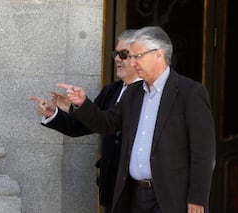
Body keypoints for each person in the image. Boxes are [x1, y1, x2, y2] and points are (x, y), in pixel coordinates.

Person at [56, 26, 216, 213]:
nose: (132, 63)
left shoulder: (190, 93)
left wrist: (197, 198)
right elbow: (106, 123)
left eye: (137, 56)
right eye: (130, 57)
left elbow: (203, 153)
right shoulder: (133, 93)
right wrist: (82, 103)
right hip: (134, 195)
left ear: (158, 55)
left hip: (172, 197)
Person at [29, 30, 141, 213]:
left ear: (139, 57)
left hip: (137, 188)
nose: (117, 59)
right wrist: (55, 112)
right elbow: (83, 126)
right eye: (116, 54)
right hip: (111, 186)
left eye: (123, 54)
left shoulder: (149, 92)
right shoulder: (111, 91)